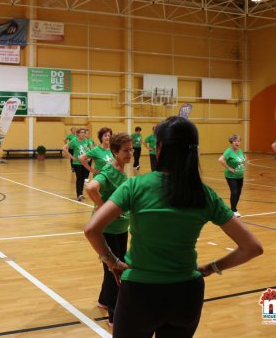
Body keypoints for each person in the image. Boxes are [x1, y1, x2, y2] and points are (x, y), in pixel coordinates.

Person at [84, 116, 263, 337]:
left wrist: (112, 262)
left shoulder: (136, 186)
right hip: (187, 293)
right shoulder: (204, 194)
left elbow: (92, 229)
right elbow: (252, 247)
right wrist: (211, 267)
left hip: (140, 293)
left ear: (159, 148)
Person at [85, 133, 132, 326]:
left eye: (131, 149)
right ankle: (114, 314)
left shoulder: (121, 168)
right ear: (114, 151)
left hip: (121, 227)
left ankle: (104, 300)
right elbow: (91, 187)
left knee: (114, 267)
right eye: (125, 150)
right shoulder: (110, 170)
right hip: (109, 229)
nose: (130, 153)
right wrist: (103, 207)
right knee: (115, 270)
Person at [218, 134, 245, 218]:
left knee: (239, 192)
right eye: (235, 141)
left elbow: (243, 159)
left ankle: (234, 209)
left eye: (238, 141)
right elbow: (220, 160)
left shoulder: (240, 151)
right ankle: (233, 210)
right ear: (231, 142)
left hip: (240, 176)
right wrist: (229, 168)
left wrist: (243, 163)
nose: (237, 143)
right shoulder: (229, 151)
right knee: (234, 192)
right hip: (231, 176)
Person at [63, 128, 90, 201]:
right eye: (81, 132)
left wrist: (89, 156)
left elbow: (89, 149)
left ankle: (81, 194)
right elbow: (64, 148)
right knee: (79, 178)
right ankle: (79, 194)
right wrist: (72, 157)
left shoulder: (86, 141)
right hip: (77, 163)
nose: (83, 134)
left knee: (84, 178)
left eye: (84, 132)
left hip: (85, 162)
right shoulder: (74, 141)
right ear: (78, 133)